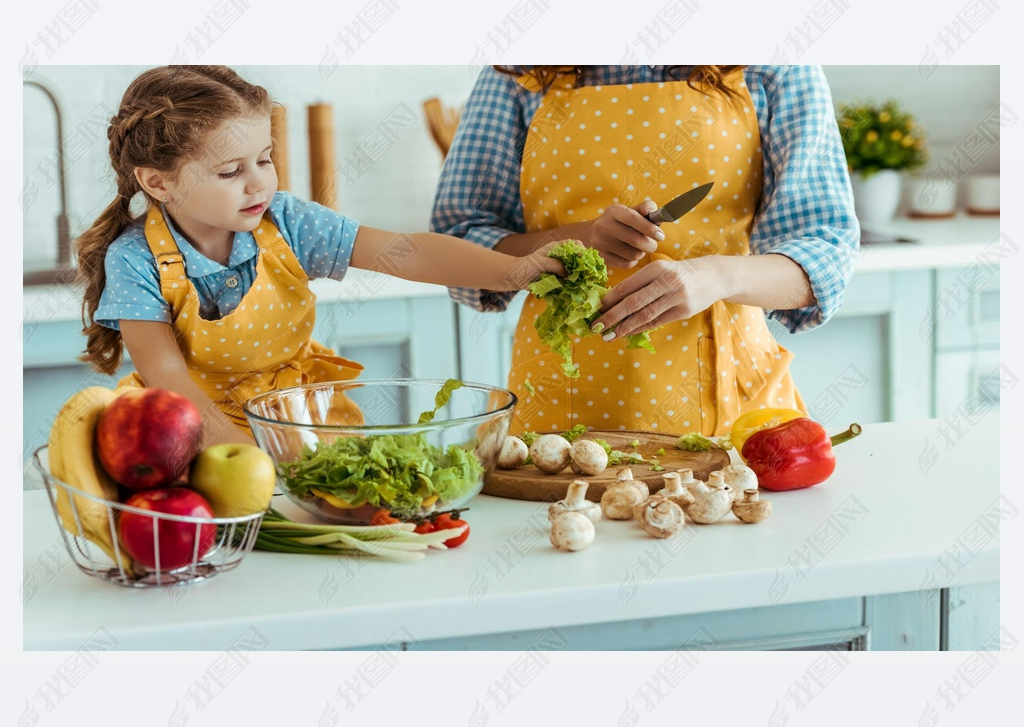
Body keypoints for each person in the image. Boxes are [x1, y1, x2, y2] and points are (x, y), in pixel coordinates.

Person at [75, 65, 562, 444]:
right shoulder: (134, 259)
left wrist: (512, 271)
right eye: (230, 172)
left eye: (265, 159)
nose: (259, 181)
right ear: (157, 181)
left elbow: (404, 251)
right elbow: (167, 375)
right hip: (191, 425)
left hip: (300, 415)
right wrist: (235, 455)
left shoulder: (286, 222)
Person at [431, 65, 859, 436]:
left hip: (733, 415)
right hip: (557, 416)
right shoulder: (521, 73)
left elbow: (824, 258)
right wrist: (578, 240)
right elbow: (460, 242)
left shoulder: (774, 66)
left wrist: (715, 276)